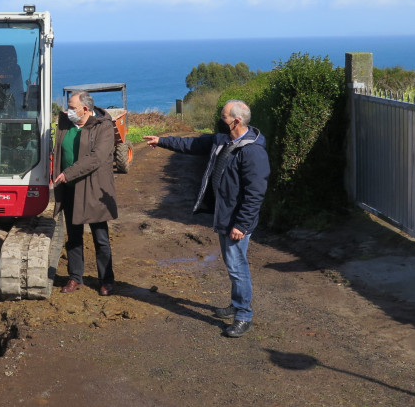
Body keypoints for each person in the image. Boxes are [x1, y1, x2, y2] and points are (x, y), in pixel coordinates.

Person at [143, 100, 270, 338]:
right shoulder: (223, 140)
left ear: (236, 120)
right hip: (225, 215)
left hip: (237, 220)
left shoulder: (252, 151)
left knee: (237, 266)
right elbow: (192, 144)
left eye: (223, 117)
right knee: (233, 263)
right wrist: (161, 141)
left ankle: (243, 315)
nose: (219, 120)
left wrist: (241, 225)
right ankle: (236, 304)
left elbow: (255, 193)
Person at [53, 91, 118, 296]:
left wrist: (68, 173)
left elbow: (96, 157)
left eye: (72, 108)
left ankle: (106, 280)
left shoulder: (103, 127)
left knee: (100, 237)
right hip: (70, 190)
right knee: (73, 237)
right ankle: (75, 278)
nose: (67, 111)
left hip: (94, 190)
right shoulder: (64, 123)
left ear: (85, 109)